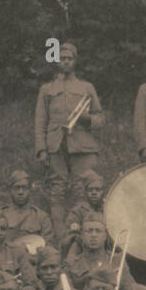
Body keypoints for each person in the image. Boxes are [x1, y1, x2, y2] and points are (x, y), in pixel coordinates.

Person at [35, 41, 105, 236]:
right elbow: (40, 121)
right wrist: (41, 149)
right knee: (57, 190)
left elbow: (100, 119)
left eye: (69, 58)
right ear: (56, 61)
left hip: (83, 146)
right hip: (56, 145)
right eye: (62, 58)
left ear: (75, 61)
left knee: (83, 189)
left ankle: (84, 237)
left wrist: (86, 119)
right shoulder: (47, 89)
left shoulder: (86, 87)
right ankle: (61, 238)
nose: (65, 62)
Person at [1, 169, 55, 253]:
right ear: (10, 190)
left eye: (24, 188)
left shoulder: (41, 217)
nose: (20, 192)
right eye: (17, 188)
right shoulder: (0, 215)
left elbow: (48, 245)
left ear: (30, 190)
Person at [62, 169, 106, 257]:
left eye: (97, 190)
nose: (94, 193)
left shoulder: (109, 209)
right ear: (85, 192)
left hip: (107, 247)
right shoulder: (78, 211)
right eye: (90, 190)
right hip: (83, 250)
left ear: (103, 192)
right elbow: (70, 236)